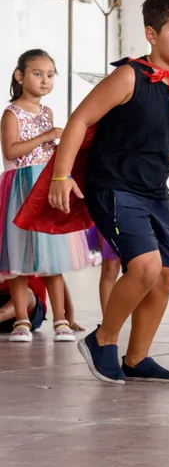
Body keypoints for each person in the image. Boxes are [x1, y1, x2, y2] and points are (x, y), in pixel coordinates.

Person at [39, 0, 169, 383]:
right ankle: (102, 340)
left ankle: (136, 358)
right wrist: (62, 176)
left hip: (154, 193)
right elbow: (79, 121)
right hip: (114, 188)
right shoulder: (128, 76)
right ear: (151, 34)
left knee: (167, 274)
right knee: (146, 266)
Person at [1, 49, 91, 342]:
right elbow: (10, 151)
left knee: (52, 255)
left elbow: (53, 151)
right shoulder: (11, 112)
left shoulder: (47, 112)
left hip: (44, 186)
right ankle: (22, 321)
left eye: (50, 75)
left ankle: (62, 320)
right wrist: (47, 136)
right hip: (20, 187)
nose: (44, 81)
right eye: (37, 74)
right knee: (18, 256)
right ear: (20, 76)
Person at [87, 226, 121, 314]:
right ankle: (108, 323)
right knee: (110, 267)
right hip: (110, 215)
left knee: (138, 268)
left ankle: (141, 325)